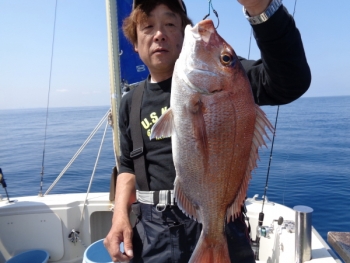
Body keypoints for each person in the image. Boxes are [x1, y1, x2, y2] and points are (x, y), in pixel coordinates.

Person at [104, 0, 311, 262]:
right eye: (147, 26)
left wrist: (262, 7)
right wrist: (119, 215)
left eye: (170, 23)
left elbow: (291, 80)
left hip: (222, 224)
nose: (159, 34)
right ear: (135, 43)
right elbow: (127, 167)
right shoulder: (129, 104)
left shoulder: (230, 79)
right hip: (153, 238)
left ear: (184, 33)